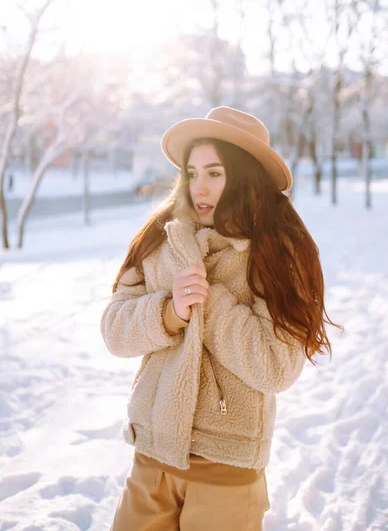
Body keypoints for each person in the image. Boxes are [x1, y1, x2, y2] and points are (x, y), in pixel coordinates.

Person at [101, 106, 342, 531]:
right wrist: (169, 312)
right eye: (192, 173)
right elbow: (114, 330)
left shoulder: (279, 252)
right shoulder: (161, 236)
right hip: (151, 457)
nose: (200, 187)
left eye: (215, 173)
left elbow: (275, 366)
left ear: (246, 175)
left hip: (226, 470)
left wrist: (208, 303)